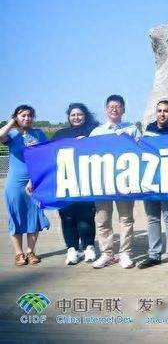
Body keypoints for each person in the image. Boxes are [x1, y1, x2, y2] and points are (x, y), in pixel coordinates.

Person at [89, 95, 142, 269]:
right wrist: (80, 143)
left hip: (125, 181)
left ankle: (125, 253)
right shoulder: (97, 132)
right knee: (103, 219)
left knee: (126, 218)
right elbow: (86, 154)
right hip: (102, 182)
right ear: (106, 109)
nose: (114, 109)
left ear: (123, 109)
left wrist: (130, 140)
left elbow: (143, 150)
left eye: (118, 106)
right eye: (111, 106)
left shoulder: (132, 129)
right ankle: (107, 253)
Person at [1, 105, 50, 267]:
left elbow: (46, 156)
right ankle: (18, 253)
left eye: (29, 115)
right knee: (16, 215)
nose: (27, 118)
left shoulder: (39, 133)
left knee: (34, 214)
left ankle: (30, 251)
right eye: (23, 115)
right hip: (15, 181)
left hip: (35, 180)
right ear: (16, 117)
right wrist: (12, 123)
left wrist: (34, 179)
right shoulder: (12, 134)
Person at [52, 103, 99, 265]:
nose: (76, 117)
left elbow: (103, 149)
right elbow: (48, 156)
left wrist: (89, 142)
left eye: (80, 114)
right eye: (73, 115)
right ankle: (72, 249)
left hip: (86, 182)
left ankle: (89, 246)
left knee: (86, 216)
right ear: (68, 117)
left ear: (85, 116)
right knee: (67, 216)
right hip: (65, 182)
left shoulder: (94, 132)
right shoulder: (60, 134)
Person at [138, 100, 168, 270]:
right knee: (152, 218)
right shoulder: (148, 131)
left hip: (167, 181)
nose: (162, 114)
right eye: (159, 110)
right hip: (150, 180)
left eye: (166, 111)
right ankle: (154, 255)